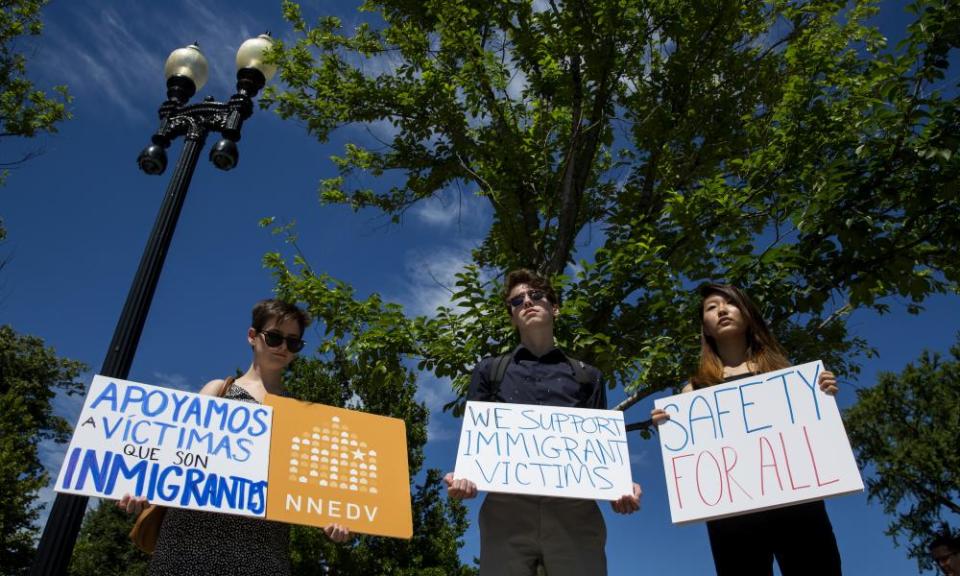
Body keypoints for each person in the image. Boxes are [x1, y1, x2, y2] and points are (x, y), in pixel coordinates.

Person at [117, 299, 349, 575]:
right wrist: (141, 487)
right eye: (274, 337)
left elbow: (308, 487)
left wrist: (332, 519)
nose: (283, 348)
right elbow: (174, 457)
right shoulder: (219, 390)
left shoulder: (299, 415)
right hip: (188, 545)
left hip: (262, 553)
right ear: (253, 336)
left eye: (293, 342)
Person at [443, 269, 642, 576]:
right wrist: (465, 476)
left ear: (554, 306)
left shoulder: (588, 376)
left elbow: (601, 452)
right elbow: (475, 443)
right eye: (517, 300)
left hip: (574, 512)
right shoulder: (488, 371)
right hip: (505, 510)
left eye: (536, 295)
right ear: (511, 315)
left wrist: (619, 484)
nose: (527, 302)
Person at [651, 283, 842, 576]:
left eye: (730, 303)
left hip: (799, 508)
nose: (722, 310)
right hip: (733, 518)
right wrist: (670, 423)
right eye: (711, 307)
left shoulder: (788, 377)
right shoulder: (693, 391)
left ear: (748, 313)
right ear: (705, 327)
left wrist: (822, 392)